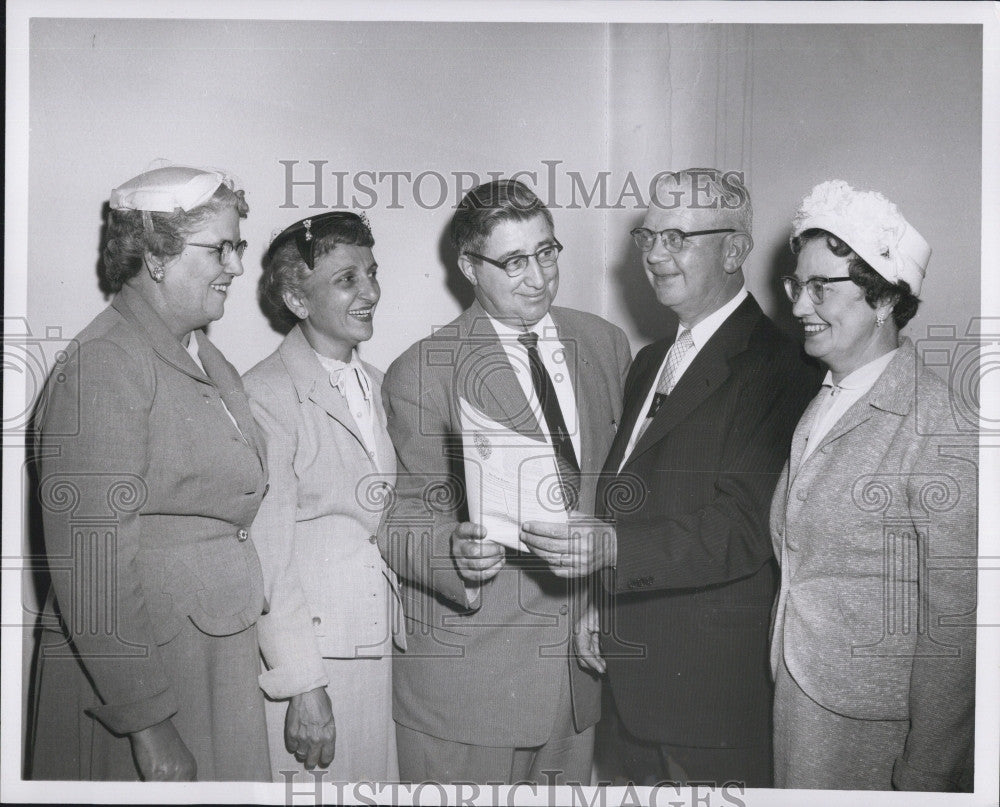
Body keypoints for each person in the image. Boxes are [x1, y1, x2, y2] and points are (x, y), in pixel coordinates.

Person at [523, 168, 820, 787]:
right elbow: (633, 500)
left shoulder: (781, 365)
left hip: (708, 697)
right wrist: (602, 604)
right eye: (649, 237)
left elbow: (743, 526)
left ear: (734, 250)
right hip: (630, 681)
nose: (655, 255)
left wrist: (610, 548)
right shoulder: (654, 359)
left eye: (678, 238)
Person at [380, 179, 631, 785]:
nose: (539, 277)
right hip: (470, 685)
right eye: (514, 261)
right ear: (469, 266)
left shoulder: (604, 342)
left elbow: (617, 490)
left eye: (547, 252)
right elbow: (401, 519)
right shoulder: (423, 367)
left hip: (577, 676)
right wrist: (449, 550)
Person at [28, 165, 270, 780]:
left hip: (206, 656)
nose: (237, 266)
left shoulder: (207, 359)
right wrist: (149, 723)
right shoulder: (106, 364)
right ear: (156, 256)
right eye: (220, 248)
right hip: (145, 677)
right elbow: (91, 560)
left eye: (236, 245)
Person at [769, 180, 976, 791]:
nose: (800, 306)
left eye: (821, 287)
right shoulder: (826, 398)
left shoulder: (938, 425)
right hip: (801, 696)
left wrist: (928, 772)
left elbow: (957, 626)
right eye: (795, 285)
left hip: (876, 732)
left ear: (884, 299)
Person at [244, 211, 401, 782]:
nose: (371, 291)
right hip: (313, 661)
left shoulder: (384, 384)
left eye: (371, 272)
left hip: (379, 649)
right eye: (346, 279)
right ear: (297, 299)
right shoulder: (265, 394)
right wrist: (303, 685)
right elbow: (267, 557)